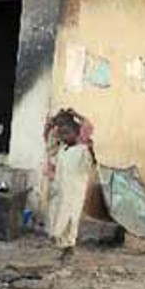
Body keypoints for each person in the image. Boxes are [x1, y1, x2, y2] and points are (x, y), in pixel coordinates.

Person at [46, 109, 95, 263]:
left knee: (70, 220)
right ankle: (63, 247)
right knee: (57, 218)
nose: (64, 136)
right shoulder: (60, 149)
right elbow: (50, 138)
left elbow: (87, 128)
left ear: (77, 133)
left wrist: (77, 115)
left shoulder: (82, 151)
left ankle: (69, 249)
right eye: (62, 134)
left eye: (68, 133)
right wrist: (53, 122)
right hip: (60, 191)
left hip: (74, 193)